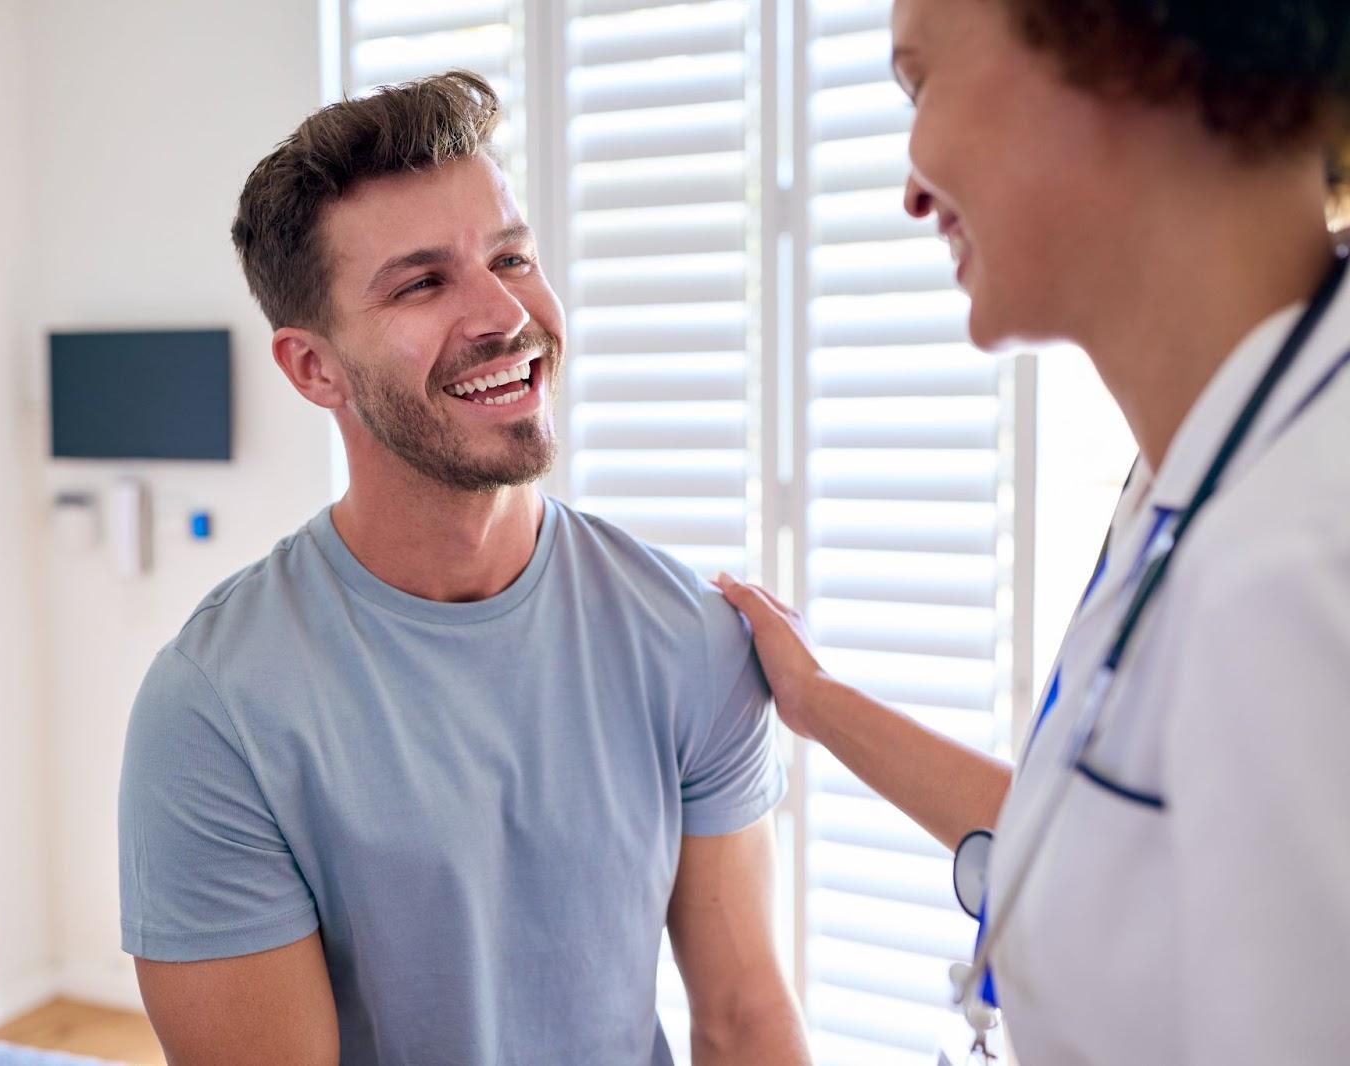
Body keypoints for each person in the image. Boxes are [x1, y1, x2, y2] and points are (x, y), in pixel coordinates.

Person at [117, 72, 811, 1065]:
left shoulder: (685, 634)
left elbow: (746, 1019)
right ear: (314, 369)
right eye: (423, 282)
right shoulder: (216, 709)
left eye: (511, 256)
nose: (504, 311)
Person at [716, 1, 1350, 1063]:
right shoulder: (1202, 467)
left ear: (1127, 48)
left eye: (921, 87)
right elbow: (1116, 831)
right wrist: (816, 704)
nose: (912, 187)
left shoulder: (1299, 560)